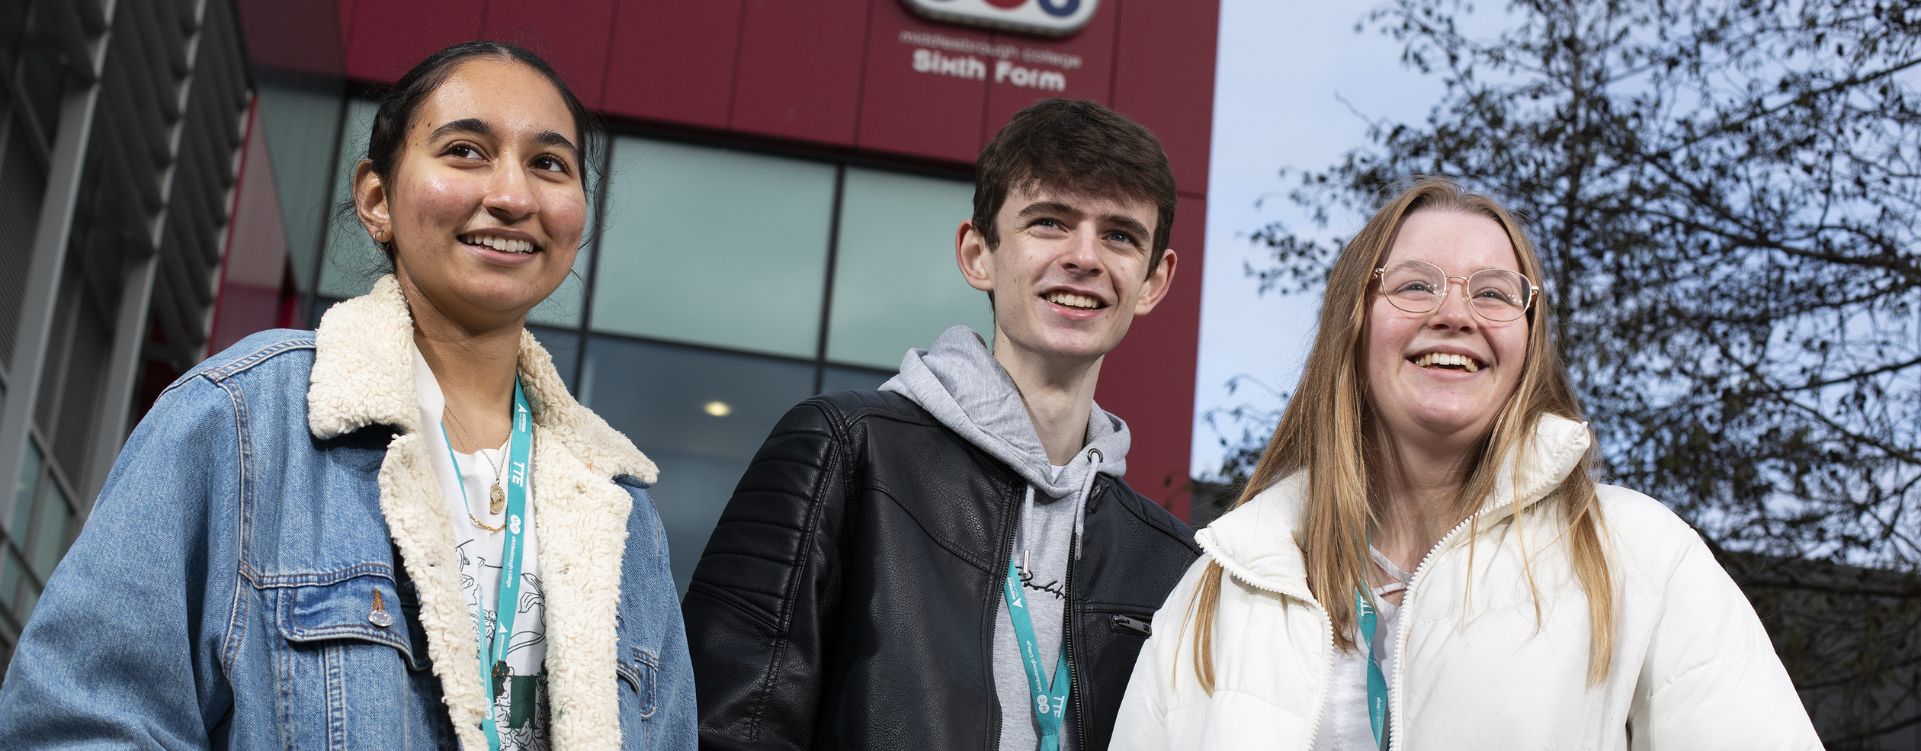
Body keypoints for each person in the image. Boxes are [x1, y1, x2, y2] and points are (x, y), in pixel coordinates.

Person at [0, 42, 696, 749]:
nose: (513, 196)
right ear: (376, 198)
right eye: (464, 150)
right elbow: (78, 723)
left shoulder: (621, 514)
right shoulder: (244, 418)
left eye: (549, 163)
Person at [1111, 177, 1820, 749]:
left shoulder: (1638, 556)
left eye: (1491, 293)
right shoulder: (1227, 580)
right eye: (1415, 285)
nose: (1454, 314)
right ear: (1352, 325)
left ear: (1528, 342)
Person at [681, 99, 1200, 750]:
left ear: (1153, 281)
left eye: (1119, 235)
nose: (1084, 257)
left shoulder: (1171, 561)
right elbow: (725, 729)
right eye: (1049, 223)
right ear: (977, 253)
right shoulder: (845, 449)